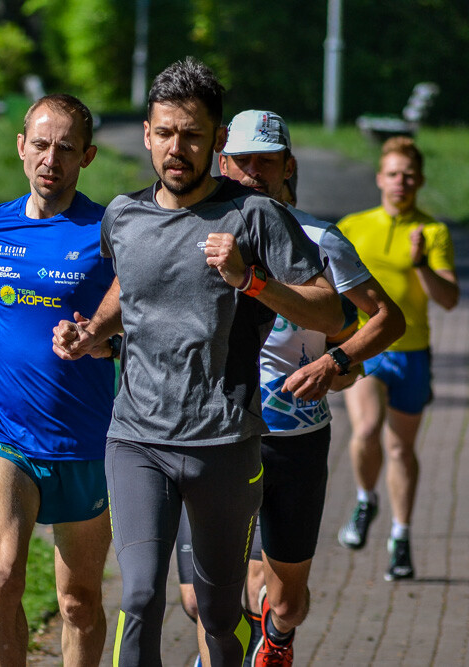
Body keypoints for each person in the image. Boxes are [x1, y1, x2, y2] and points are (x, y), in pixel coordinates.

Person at [52, 58, 343, 667]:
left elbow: (330, 313)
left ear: (215, 142)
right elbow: (131, 287)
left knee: (215, 610)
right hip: (135, 438)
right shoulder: (123, 216)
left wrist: (253, 281)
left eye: (191, 134)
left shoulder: (255, 217)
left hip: (224, 442)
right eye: (164, 133)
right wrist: (88, 333)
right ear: (148, 136)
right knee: (138, 595)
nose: (176, 148)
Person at [174, 109, 406, 667]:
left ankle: (276, 635)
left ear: (287, 167)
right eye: (243, 160)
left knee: (287, 600)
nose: (253, 172)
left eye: (266, 161)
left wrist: (337, 362)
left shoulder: (321, 238)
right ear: (222, 162)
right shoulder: (190, 231)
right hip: (214, 434)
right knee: (194, 598)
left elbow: (384, 320)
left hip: (294, 437)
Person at [0, 94, 117, 667]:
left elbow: (140, 317)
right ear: (21, 148)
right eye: (41, 145)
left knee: (78, 602)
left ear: (87, 157)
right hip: (4, 432)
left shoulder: (108, 232)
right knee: (0, 577)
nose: (51, 159)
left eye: (66, 148)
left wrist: (102, 342)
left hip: (85, 440)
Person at [336, 136, 459, 581]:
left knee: (401, 448)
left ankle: (400, 536)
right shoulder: (352, 226)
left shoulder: (432, 231)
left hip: (412, 355)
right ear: (379, 179)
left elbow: (448, 300)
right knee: (367, 429)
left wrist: (422, 264)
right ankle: (366, 499)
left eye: (408, 175)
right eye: (392, 173)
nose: (400, 182)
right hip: (367, 349)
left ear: (420, 181)